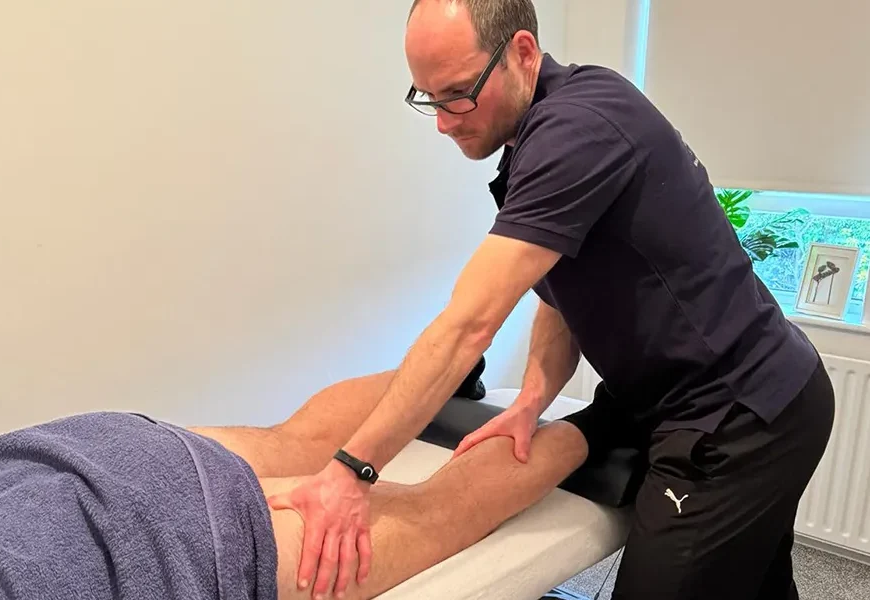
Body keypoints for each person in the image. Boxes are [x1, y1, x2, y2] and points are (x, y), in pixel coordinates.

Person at [270, 1, 837, 599]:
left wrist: (351, 472)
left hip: (741, 416)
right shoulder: (536, 132)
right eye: (427, 96)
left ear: (521, 52)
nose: (443, 121)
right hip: (697, 397)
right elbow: (562, 290)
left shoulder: (577, 130)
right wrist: (533, 397)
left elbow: (468, 326)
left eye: (458, 92)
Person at [0, 371, 588, 600]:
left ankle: (598, 429)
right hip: (78, 453)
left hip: (178, 541)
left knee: (434, 511)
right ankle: (437, 377)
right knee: (295, 438)